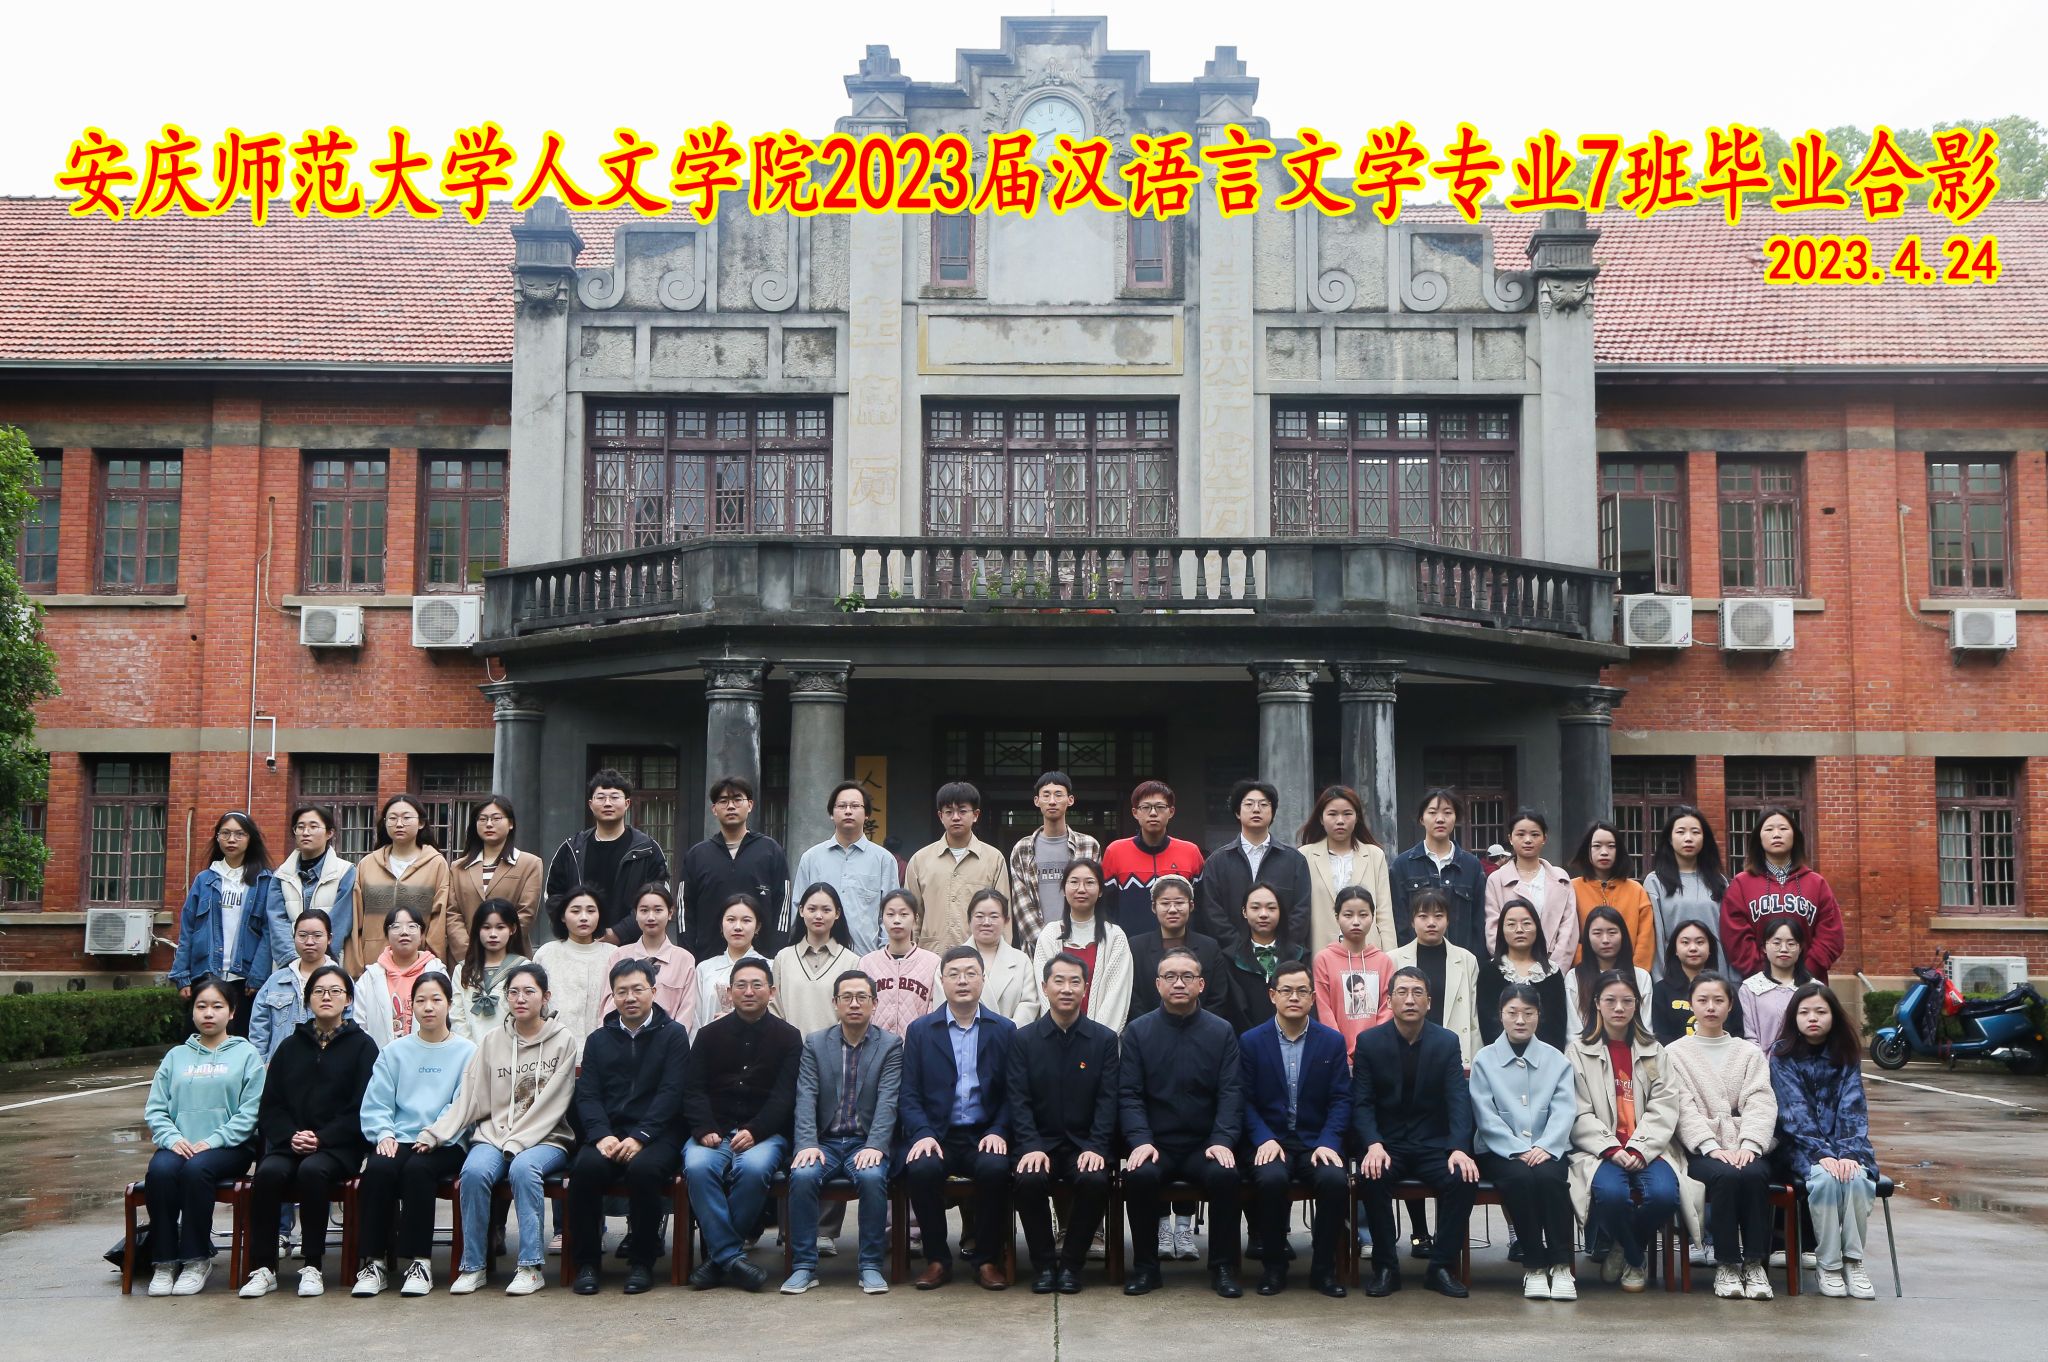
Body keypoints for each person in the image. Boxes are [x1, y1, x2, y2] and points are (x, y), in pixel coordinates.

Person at [420, 961, 578, 1296]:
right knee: (474, 1172)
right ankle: (473, 1266)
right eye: (513, 992)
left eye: (529, 992)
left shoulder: (563, 1040)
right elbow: (471, 1096)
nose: (520, 998)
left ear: (545, 996)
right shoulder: (493, 1041)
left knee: (523, 1169)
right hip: (495, 1135)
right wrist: (436, 1134)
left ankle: (530, 1267)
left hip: (547, 1137)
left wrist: (519, 1140)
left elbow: (555, 1102)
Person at [239, 963, 378, 1298]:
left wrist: (322, 1138)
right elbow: (271, 1106)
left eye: (335, 991)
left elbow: (363, 1106)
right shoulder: (289, 1047)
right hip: (290, 1143)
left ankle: (312, 1264)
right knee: (268, 1173)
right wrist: (291, 1136)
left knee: (313, 1172)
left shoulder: (363, 1047)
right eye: (318, 991)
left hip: (338, 1147)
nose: (326, 997)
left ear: (348, 1000)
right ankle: (264, 1267)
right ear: (307, 999)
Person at [1118, 947, 1245, 1298]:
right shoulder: (1138, 1032)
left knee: (1226, 1175)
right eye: (1170, 976)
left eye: (1187, 976)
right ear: (1157, 984)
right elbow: (1129, 1094)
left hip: (1204, 1145)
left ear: (1201, 984)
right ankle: (1146, 1268)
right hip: (1156, 1144)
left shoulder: (1221, 1032)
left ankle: (1223, 1268)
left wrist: (1222, 1140)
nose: (1178, 983)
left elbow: (1231, 1092)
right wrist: (1140, 1141)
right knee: (1139, 1176)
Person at [1351, 966, 1479, 1298]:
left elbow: (1458, 1099)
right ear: (1389, 1000)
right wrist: (1372, 1143)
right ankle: (1385, 1268)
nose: (1410, 1000)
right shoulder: (1369, 1042)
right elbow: (1361, 1102)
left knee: (1463, 1178)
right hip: (1387, 1144)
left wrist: (1459, 1147)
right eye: (1402, 992)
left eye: (1417, 993)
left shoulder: (1446, 1042)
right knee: (1372, 1176)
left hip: (1432, 1144)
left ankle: (1441, 1267)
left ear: (1429, 1002)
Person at [566, 958, 691, 1295]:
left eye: (638, 989)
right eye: (622, 992)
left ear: (653, 991)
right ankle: (587, 1263)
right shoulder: (598, 1039)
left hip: (658, 1134)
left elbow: (672, 1092)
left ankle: (642, 1262)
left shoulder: (674, 1035)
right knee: (585, 1169)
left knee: (644, 1171)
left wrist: (641, 1137)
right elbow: (588, 1094)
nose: (630, 997)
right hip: (608, 1132)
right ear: (613, 996)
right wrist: (601, 1135)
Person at [350, 970, 476, 1296]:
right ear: (412, 1006)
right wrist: (384, 1134)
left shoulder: (467, 1051)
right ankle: (374, 1262)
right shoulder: (394, 1051)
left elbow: (462, 1105)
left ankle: (420, 1262)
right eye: (421, 1000)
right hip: (399, 1137)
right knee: (378, 1169)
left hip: (446, 1140)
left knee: (418, 1171)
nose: (428, 1007)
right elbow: (377, 1101)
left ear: (449, 1004)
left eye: (436, 999)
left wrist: (434, 1134)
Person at [900, 945, 1017, 1291]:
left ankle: (987, 1260)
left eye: (970, 973)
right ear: (942, 980)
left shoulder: (1004, 1029)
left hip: (984, 1133)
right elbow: (909, 1093)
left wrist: (999, 1130)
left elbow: (1014, 1093)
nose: (962, 981)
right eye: (954, 974)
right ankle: (937, 1259)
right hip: (939, 1134)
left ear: (983, 978)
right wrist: (922, 1133)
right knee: (921, 1168)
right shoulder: (921, 1031)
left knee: (995, 1169)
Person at [781, 969, 904, 1296]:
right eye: (846, 997)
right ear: (835, 1003)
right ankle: (804, 1266)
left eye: (862, 997)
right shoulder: (816, 1043)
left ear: (874, 1003)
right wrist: (807, 1143)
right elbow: (805, 1096)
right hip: (825, 1142)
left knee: (872, 1177)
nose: (854, 1003)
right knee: (802, 1175)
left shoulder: (890, 1045)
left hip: (865, 1142)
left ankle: (871, 1266)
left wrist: (876, 1145)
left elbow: (888, 1100)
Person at [139, 976, 265, 1297]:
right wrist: (171, 1138)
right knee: (160, 1171)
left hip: (229, 1146)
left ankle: (196, 1259)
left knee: (197, 1170)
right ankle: (164, 1261)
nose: (209, 1013)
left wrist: (214, 1140)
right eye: (201, 1006)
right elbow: (156, 1108)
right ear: (193, 1011)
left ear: (232, 1012)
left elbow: (251, 1111)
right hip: (180, 1143)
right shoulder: (176, 1056)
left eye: (217, 1006)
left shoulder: (247, 1055)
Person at [683, 956, 801, 1292]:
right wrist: (704, 1128)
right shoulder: (708, 1035)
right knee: (697, 1166)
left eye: (757, 985)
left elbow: (784, 1097)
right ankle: (732, 1257)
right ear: (729, 992)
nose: (749, 992)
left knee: (753, 1168)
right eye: (741, 985)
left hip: (764, 1132)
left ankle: (718, 1259)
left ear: (771, 991)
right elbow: (693, 1090)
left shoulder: (789, 1037)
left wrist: (756, 1130)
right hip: (714, 1130)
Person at [1567, 969, 1687, 1293]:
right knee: (1610, 1195)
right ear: (1597, 1003)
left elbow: (1665, 1105)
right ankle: (1636, 1258)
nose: (1619, 1008)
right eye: (1611, 1001)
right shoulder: (1578, 1051)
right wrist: (1611, 1148)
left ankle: (1622, 1247)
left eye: (1627, 1001)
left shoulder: (1653, 1051)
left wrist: (1638, 1148)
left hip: (1649, 1148)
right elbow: (1578, 1110)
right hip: (1600, 1151)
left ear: (1637, 1004)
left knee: (1664, 1196)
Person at [1008, 951, 1119, 1295]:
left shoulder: (1104, 1040)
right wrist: (1030, 1146)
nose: (1067, 989)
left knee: (1095, 1179)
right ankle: (1043, 1265)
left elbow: (1108, 1101)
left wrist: (1097, 1146)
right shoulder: (1023, 1039)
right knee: (1028, 1179)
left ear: (1085, 988)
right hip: (1039, 1142)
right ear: (1045, 987)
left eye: (1075, 982)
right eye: (1059, 981)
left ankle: (1071, 1265)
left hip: (1084, 1144)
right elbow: (1018, 1099)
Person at [1240, 959, 1351, 1297]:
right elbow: (1243, 1100)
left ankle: (1324, 1271)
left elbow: (1341, 1099)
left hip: (1316, 1141)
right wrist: (1263, 1138)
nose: (1294, 997)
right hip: (1271, 1140)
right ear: (1272, 995)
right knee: (1271, 1180)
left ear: (1313, 998)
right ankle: (1274, 1268)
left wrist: (1329, 1142)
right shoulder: (1251, 1041)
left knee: (1334, 1181)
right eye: (1286, 990)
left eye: (1302, 991)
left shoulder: (1331, 1041)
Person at [1666, 971, 1778, 1301]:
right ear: (1691, 1004)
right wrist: (1711, 1146)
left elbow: (1761, 1100)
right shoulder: (1674, 1053)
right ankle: (1727, 1263)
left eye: (1718, 1000)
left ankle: (1754, 1264)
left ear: (1730, 1005)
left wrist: (1750, 1145)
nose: (1710, 1007)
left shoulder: (1749, 1053)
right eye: (1702, 1000)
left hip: (1744, 1145)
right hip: (1700, 1149)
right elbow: (1681, 1106)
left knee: (1754, 1174)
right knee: (1725, 1177)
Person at [1772, 982, 1881, 1301]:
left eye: (1821, 1011)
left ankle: (1854, 1261)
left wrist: (1848, 1153)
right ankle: (1829, 1265)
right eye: (1804, 1012)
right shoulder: (1782, 1055)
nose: (1812, 1018)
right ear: (1794, 1018)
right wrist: (1822, 1153)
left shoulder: (1846, 1054)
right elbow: (1793, 1113)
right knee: (1825, 1180)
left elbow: (1853, 1107)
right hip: (1801, 1148)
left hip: (1847, 1146)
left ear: (1833, 1015)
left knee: (1857, 1179)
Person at [1470, 981, 1579, 1301]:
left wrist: (1545, 1146)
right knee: (1519, 1178)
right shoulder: (1484, 1059)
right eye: (1512, 1013)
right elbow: (1485, 1115)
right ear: (1500, 1015)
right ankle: (1534, 1266)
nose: (1520, 1020)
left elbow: (1564, 1109)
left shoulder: (1556, 1059)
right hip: (1499, 1150)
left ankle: (1561, 1265)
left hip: (1548, 1147)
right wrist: (1517, 1148)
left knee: (1550, 1179)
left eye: (1528, 1013)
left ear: (1538, 1015)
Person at [170, 811, 273, 1031]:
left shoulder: (264, 881)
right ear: (217, 837)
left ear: (250, 838)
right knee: (199, 1038)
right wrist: (182, 976)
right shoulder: (204, 880)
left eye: (239, 834)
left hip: (244, 980)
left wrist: (257, 976)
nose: (231, 839)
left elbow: (268, 933)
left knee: (239, 1039)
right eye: (225, 833)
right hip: (206, 974)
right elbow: (188, 929)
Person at [233, 803, 357, 985]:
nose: (305, 832)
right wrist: (293, 961)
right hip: (288, 967)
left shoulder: (345, 872)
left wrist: (322, 961)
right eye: (300, 827)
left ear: (330, 833)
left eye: (313, 826)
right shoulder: (281, 875)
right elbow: (277, 921)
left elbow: (340, 921)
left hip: (330, 965)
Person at [547, 768, 671, 947]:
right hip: (581, 945)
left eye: (614, 797)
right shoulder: (571, 849)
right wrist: (578, 929)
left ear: (627, 803)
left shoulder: (648, 849)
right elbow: (553, 896)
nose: (607, 803)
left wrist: (619, 933)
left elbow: (659, 897)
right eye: (601, 797)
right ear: (591, 804)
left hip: (634, 947)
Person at [1720, 806, 1843, 981]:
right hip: (1759, 984)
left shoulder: (1816, 883)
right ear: (1758, 838)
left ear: (1795, 836)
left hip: (1808, 984)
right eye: (1769, 829)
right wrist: (1766, 975)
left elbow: (1831, 935)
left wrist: (1806, 973)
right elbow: (1735, 938)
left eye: (1783, 828)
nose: (1776, 834)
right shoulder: (1741, 884)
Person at [680, 774, 790, 960]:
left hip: (761, 960)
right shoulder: (697, 855)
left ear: (750, 805)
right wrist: (689, 957)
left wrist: (776, 955)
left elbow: (783, 905)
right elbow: (685, 910)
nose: (730, 806)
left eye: (737, 799)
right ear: (714, 809)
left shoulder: (770, 850)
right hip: (708, 959)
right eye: (723, 801)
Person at [1197, 779, 1310, 951]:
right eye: (1249, 804)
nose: (1256, 809)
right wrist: (1241, 949)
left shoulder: (1294, 860)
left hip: (1283, 956)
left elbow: (1301, 910)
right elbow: (1212, 911)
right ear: (1237, 812)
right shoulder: (1217, 861)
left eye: (1263, 804)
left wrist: (1278, 947)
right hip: (1231, 957)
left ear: (1273, 812)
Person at [347, 794, 452, 976]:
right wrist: (356, 966)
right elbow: (356, 919)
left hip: (419, 965)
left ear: (421, 823)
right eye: (393, 818)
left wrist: (433, 963)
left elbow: (439, 918)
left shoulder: (436, 864)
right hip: (373, 963)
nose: (399, 824)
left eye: (406, 817)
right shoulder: (367, 864)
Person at [904, 781, 1016, 952]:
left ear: (976, 815)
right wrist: (911, 955)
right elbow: (912, 914)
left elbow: (1003, 914)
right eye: (949, 812)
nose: (955, 817)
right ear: (940, 816)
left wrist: (1003, 955)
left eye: (962, 811)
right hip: (932, 955)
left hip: (980, 956)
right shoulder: (920, 860)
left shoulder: (993, 859)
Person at [793, 781, 900, 956]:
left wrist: (884, 956)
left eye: (855, 806)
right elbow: (797, 908)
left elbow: (890, 912)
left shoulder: (884, 860)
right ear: (831, 814)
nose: (848, 811)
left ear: (867, 814)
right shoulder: (811, 858)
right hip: (818, 957)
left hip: (866, 958)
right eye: (842, 806)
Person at [1030, 859, 1134, 1032]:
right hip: (1054, 1039)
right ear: (1064, 889)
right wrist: (1056, 1033)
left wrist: (1097, 1038)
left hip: (1101, 1041)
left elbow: (1116, 997)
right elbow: (1045, 993)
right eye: (1074, 882)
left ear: (1100, 891)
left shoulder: (1115, 936)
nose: (1081, 889)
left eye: (1089, 883)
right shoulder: (1049, 934)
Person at [1387, 788, 1489, 961]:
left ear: (1456, 817)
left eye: (1447, 813)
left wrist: (1476, 962)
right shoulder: (1403, 865)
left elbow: (1479, 921)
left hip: (1461, 962)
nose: (1440, 819)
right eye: (1432, 812)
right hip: (1414, 961)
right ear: (1422, 818)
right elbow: (1399, 920)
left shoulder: (1471, 866)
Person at [1009, 771, 1103, 955]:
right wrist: (1048, 946)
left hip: (1083, 945)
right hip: (1037, 950)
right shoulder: (1022, 849)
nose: (1052, 801)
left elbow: (1095, 896)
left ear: (1070, 800)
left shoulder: (1089, 845)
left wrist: (1074, 943)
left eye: (1058, 794)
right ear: (1037, 801)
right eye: (1046, 795)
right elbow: (1021, 906)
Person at [1297, 785, 1395, 956]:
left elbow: (1384, 914)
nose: (1340, 820)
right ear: (1321, 818)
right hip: (1321, 950)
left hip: (1367, 951)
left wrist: (1390, 957)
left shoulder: (1374, 855)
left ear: (1357, 818)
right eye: (1332, 814)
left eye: (1347, 814)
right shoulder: (1305, 855)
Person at [1128, 873, 1237, 1028]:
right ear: (1154, 907)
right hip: (1148, 1031)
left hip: (1201, 1031)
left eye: (1179, 903)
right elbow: (1132, 997)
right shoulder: (1136, 947)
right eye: (1165, 903)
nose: (1172, 909)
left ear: (1191, 906)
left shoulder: (1209, 947)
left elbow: (1218, 997)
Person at [1101, 780, 1205, 938]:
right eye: (1146, 807)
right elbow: (1106, 909)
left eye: (1160, 807)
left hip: (1181, 947)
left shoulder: (1190, 852)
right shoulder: (1115, 851)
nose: (1153, 813)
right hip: (1128, 946)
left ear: (1171, 811)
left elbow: (1202, 907)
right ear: (1135, 812)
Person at [449, 795, 544, 960]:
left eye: (496, 818)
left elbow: (526, 913)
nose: (489, 824)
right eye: (482, 819)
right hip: (467, 959)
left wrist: (498, 950)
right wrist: (469, 952)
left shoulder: (529, 864)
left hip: (511, 956)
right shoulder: (458, 867)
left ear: (511, 823)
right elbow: (453, 913)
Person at [1391, 888, 1479, 1063]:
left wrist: (1475, 1060)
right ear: (1412, 921)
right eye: (1423, 916)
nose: (1431, 923)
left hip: (1453, 1053)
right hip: (1406, 1051)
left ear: (1448, 920)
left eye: (1438, 916)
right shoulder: (1393, 959)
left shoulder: (1467, 959)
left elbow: (1473, 1019)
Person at [1484, 808, 1577, 970]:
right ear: (1510, 838)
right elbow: (1493, 930)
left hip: (1553, 967)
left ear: (1544, 838)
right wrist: (1513, 970)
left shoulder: (1560, 878)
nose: (1528, 840)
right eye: (1520, 834)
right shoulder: (1497, 880)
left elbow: (1568, 929)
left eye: (1535, 834)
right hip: (1511, 970)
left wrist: (1554, 970)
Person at [1476, 897, 1570, 1051]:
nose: (1519, 930)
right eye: (1511, 924)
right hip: (1499, 1057)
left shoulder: (1551, 973)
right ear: (1501, 930)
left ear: (1537, 927)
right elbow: (1487, 1023)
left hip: (1545, 1058)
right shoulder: (1490, 971)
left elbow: (1557, 1025)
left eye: (1526, 923)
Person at [249, 907, 342, 1060]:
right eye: (303, 935)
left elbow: (349, 1026)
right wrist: (261, 1063)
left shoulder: (341, 981)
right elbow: (259, 1028)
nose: (309, 942)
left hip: (325, 1065)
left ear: (329, 938)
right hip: (279, 1066)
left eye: (317, 935)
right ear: (294, 937)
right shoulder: (276, 981)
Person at [536, 884, 616, 1056]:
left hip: (605, 1050)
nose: (584, 917)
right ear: (563, 916)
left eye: (591, 911)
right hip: (553, 1050)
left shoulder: (614, 955)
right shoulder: (546, 954)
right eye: (575, 911)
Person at [770, 881, 860, 1036]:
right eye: (812, 909)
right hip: (789, 1047)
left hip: (834, 1048)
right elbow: (774, 1010)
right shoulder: (783, 958)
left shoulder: (852, 962)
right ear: (801, 910)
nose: (818, 916)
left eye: (826, 910)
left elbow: (851, 1013)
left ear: (837, 913)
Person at [1311, 884, 1394, 1051]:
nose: (1356, 922)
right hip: (1335, 1050)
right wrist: (1339, 1046)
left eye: (1363, 915)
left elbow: (1388, 1008)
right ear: (1337, 917)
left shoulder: (1383, 961)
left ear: (1372, 916)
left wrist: (1369, 1045)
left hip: (1375, 1051)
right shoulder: (1324, 959)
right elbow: (1324, 1009)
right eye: (1348, 915)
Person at [604, 884, 699, 1030]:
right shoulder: (618, 956)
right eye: (644, 910)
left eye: (658, 910)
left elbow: (687, 1011)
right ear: (635, 914)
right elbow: (607, 1008)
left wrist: (673, 1039)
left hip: (668, 1040)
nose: (651, 917)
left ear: (670, 912)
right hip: (623, 1039)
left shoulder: (685, 960)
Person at [1647, 805, 1729, 970]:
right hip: (1674, 974)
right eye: (1681, 832)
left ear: (1704, 838)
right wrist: (1660, 978)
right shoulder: (1655, 881)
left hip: (1716, 975)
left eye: (1695, 832)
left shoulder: (1719, 881)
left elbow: (1728, 934)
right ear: (1670, 838)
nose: (1688, 838)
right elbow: (1656, 937)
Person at [354, 903, 444, 1049]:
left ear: (422, 935)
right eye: (396, 927)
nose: (404, 932)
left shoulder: (437, 971)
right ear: (387, 935)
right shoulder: (370, 978)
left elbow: (448, 1017)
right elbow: (360, 1025)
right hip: (381, 1057)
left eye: (412, 926)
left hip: (430, 1054)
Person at [1569, 822, 1656, 972]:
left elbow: (1645, 940)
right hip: (1585, 975)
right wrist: (1586, 969)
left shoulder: (1636, 891)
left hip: (1629, 976)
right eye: (1597, 846)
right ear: (1587, 850)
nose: (1604, 852)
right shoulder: (1572, 889)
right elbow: (1568, 936)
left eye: (1611, 846)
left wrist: (1634, 974)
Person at [1222, 882, 1308, 1033]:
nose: (1263, 914)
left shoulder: (1299, 956)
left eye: (1271, 908)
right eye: (1255, 908)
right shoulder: (1230, 958)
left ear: (1280, 912)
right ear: (1244, 912)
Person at [859, 887, 942, 1038]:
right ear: (882, 918)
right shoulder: (866, 963)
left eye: (904, 914)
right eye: (890, 914)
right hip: (875, 1047)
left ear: (915, 918)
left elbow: (935, 1011)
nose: (896, 920)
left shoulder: (933, 963)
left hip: (918, 1045)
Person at [1651, 920, 1747, 1045]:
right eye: (1685, 942)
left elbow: (1737, 1033)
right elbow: (1661, 1035)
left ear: (1710, 948)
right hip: (1676, 1055)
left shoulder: (1726, 989)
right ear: (1675, 949)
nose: (1693, 948)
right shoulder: (1661, 990)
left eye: (1700, 942)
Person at [452, 897, 532, 1042]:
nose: (493, 934)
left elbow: (529, 1015)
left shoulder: (524, 967)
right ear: (477, 930)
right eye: (486, 927)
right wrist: (470, 1049)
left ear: (512, 929)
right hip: (470, 1050)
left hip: (512, 1048)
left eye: (500, 927)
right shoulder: (462, 970)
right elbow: (457, 1017)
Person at [1565, 905, 1653, 1035]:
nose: (1605, 940)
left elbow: (1646, 1028)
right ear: (1587, 938)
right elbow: (1573, 1031)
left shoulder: (1641, 977)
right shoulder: (1574, 977)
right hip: (1585, 1047)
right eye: (1597, 933)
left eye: (1612, 932)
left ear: (1623, 935)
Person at [964, 889, 1039, 1023]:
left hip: (1011, 1034)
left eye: (994, 916)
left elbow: (1029, 1004)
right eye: (979, 916)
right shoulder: (952, 961)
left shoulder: (1021, 961)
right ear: (969, 919)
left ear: (1006, 920)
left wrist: (1008, 1029)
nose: (986, 922)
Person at [1741, 917, 1811, 1054]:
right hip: (1763, 1064)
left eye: (1791, 943)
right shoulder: (1750, 989)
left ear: (1800, 948)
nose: (1783, 949)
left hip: (1805, 1064)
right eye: (1776, 943)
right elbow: (1749, 1037)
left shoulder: (1814, 988)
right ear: (1764, 947)